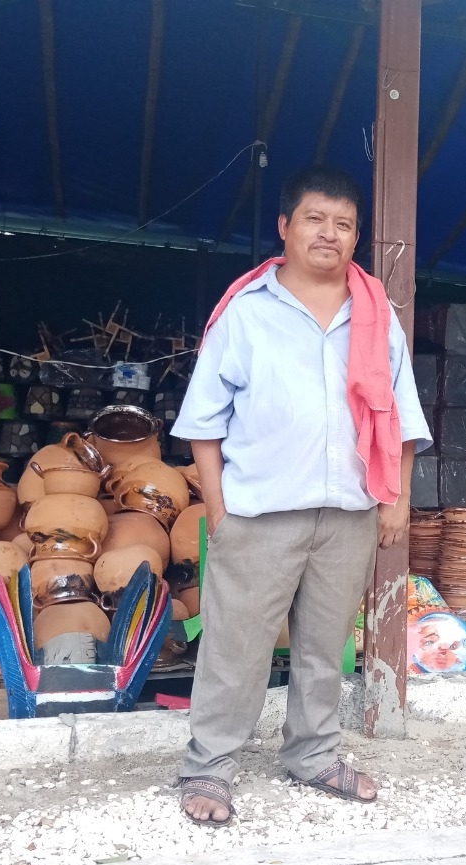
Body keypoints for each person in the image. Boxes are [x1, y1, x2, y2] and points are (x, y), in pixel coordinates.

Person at [170, 165, 432, 826]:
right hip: (258, 512)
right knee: (237, 645)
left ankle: (313, 756)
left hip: (348, 510)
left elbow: (400, 414)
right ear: (285, 227)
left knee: (324, 645)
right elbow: (203, 423)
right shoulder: (247, 313)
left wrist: (395, 498)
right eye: (316, 219)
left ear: (356, 237)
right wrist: (219, 510)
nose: (331, 233)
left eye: (344, 224)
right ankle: (209, 768)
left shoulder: (376, 317)